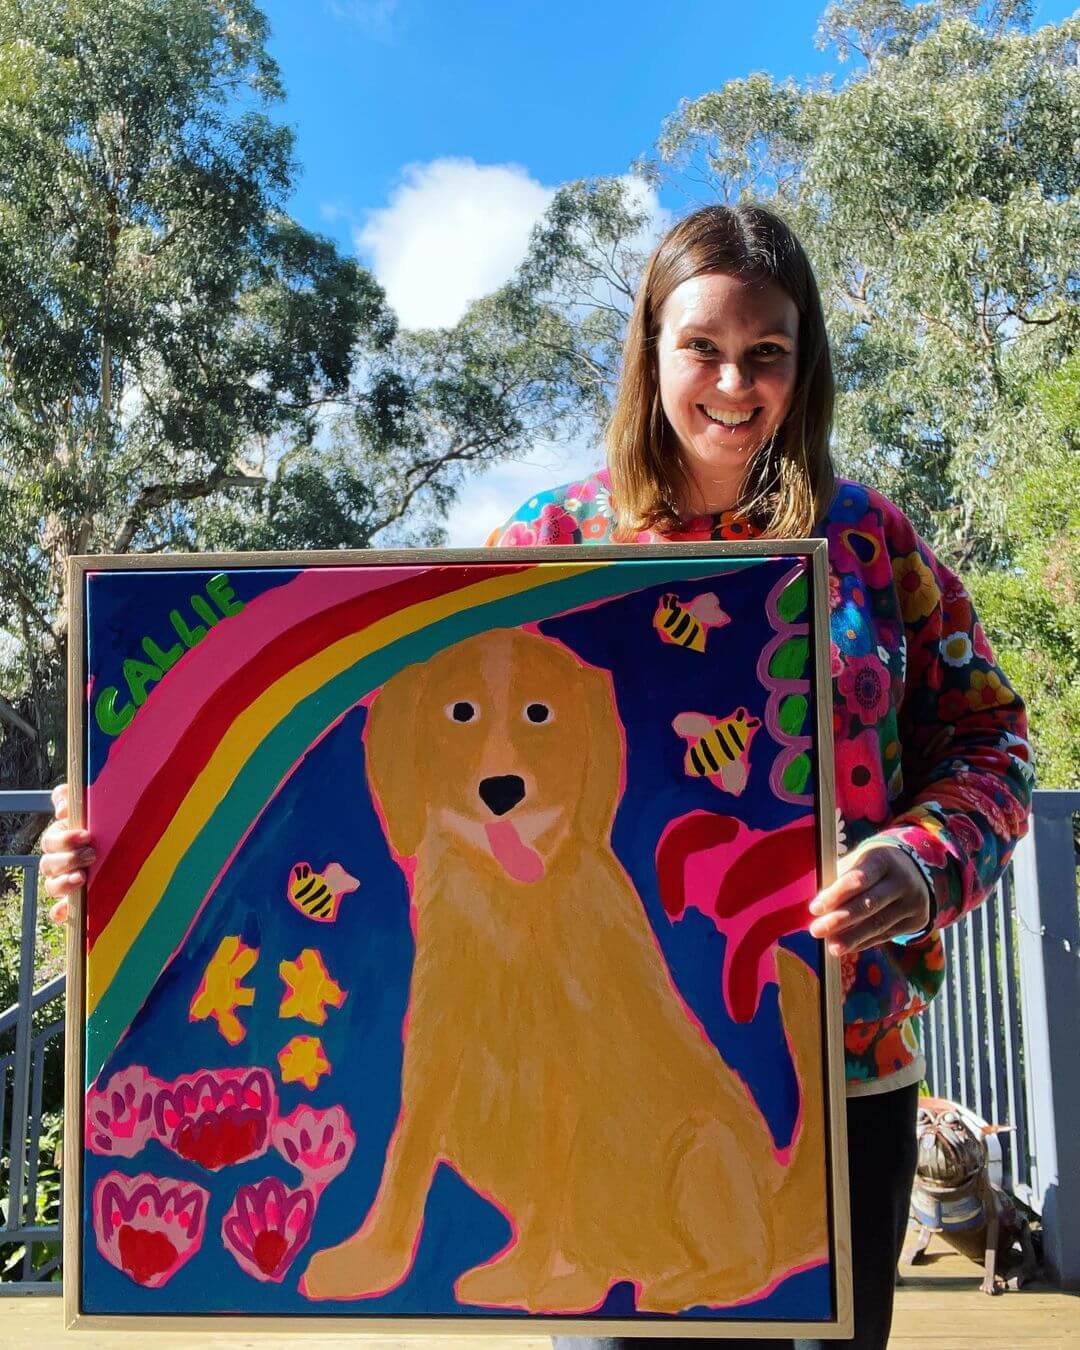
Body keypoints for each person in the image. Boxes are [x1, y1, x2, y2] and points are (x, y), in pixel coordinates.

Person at [40, 205, 1031, 1350]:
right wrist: (118, 832)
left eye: (768, 353)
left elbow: (991, 739)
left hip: (847, 1063)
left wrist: (926, 856)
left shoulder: (871, 543)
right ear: (650, 350)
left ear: (801, 368)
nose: (733, 381)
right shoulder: (544, 546)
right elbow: (359, 725)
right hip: (574, 1103)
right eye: (701, 345)